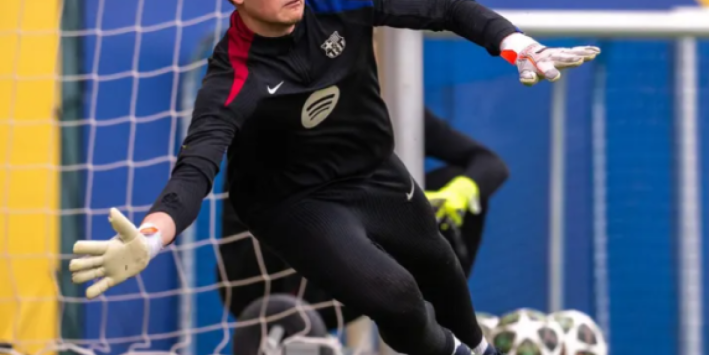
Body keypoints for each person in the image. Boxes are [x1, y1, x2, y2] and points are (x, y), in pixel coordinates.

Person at [67, 0, 599, 355]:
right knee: (396, 295)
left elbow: (445, 9)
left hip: (373, 172)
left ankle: (485, 352)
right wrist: (152, 236)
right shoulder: (231, 75)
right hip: (295, 204)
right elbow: (196, 168)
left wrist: (515, 44)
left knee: (438, 264)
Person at [216, 105, 510, 333]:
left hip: (351, 268)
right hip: (256, 279)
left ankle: (443, 334)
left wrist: (458, 193)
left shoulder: (395, 107)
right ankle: (283, 335)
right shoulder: (280, 105)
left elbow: (490, 163)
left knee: (455, 185)